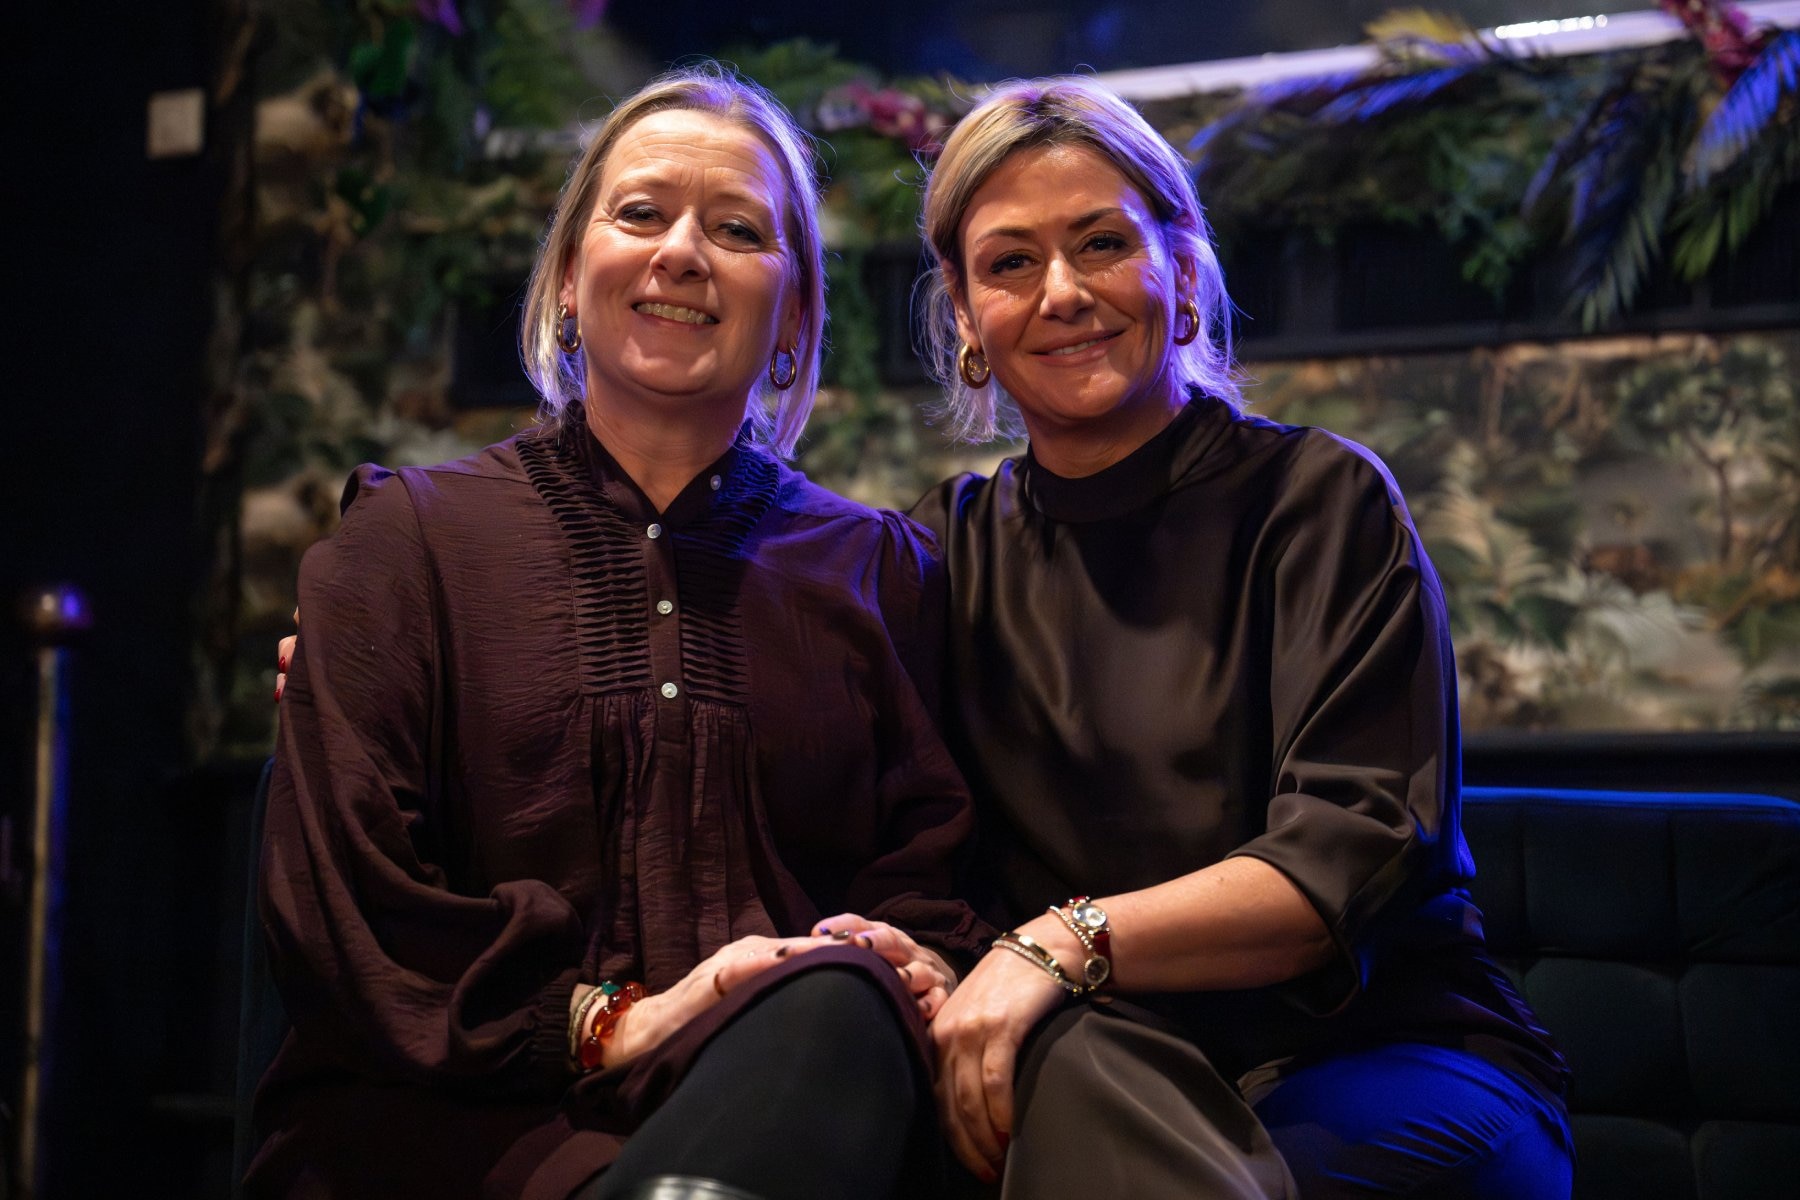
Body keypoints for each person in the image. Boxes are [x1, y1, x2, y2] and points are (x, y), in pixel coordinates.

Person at [250, 64, 985, 1200]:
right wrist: (612, 1023)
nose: (682, 252)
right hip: (453, 1132)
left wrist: (915, 959)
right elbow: (349, 903)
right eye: (641, 213)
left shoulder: (882, 573)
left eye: (736, 228)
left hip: (790, 1109)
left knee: (841, 1002)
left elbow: (935, 875)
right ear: (565, 276)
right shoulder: (404, 544)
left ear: (795, 314)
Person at [894, 77, 1574, 1198]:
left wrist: (1061, 943)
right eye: (1010, 263)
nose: (1062, 292)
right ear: (966, 317)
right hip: (1096, 1061)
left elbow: (1343, 858)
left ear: (1183, 270)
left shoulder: (1323, 499)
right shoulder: (937, 552)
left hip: (1383, 1054)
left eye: (1102, 243)